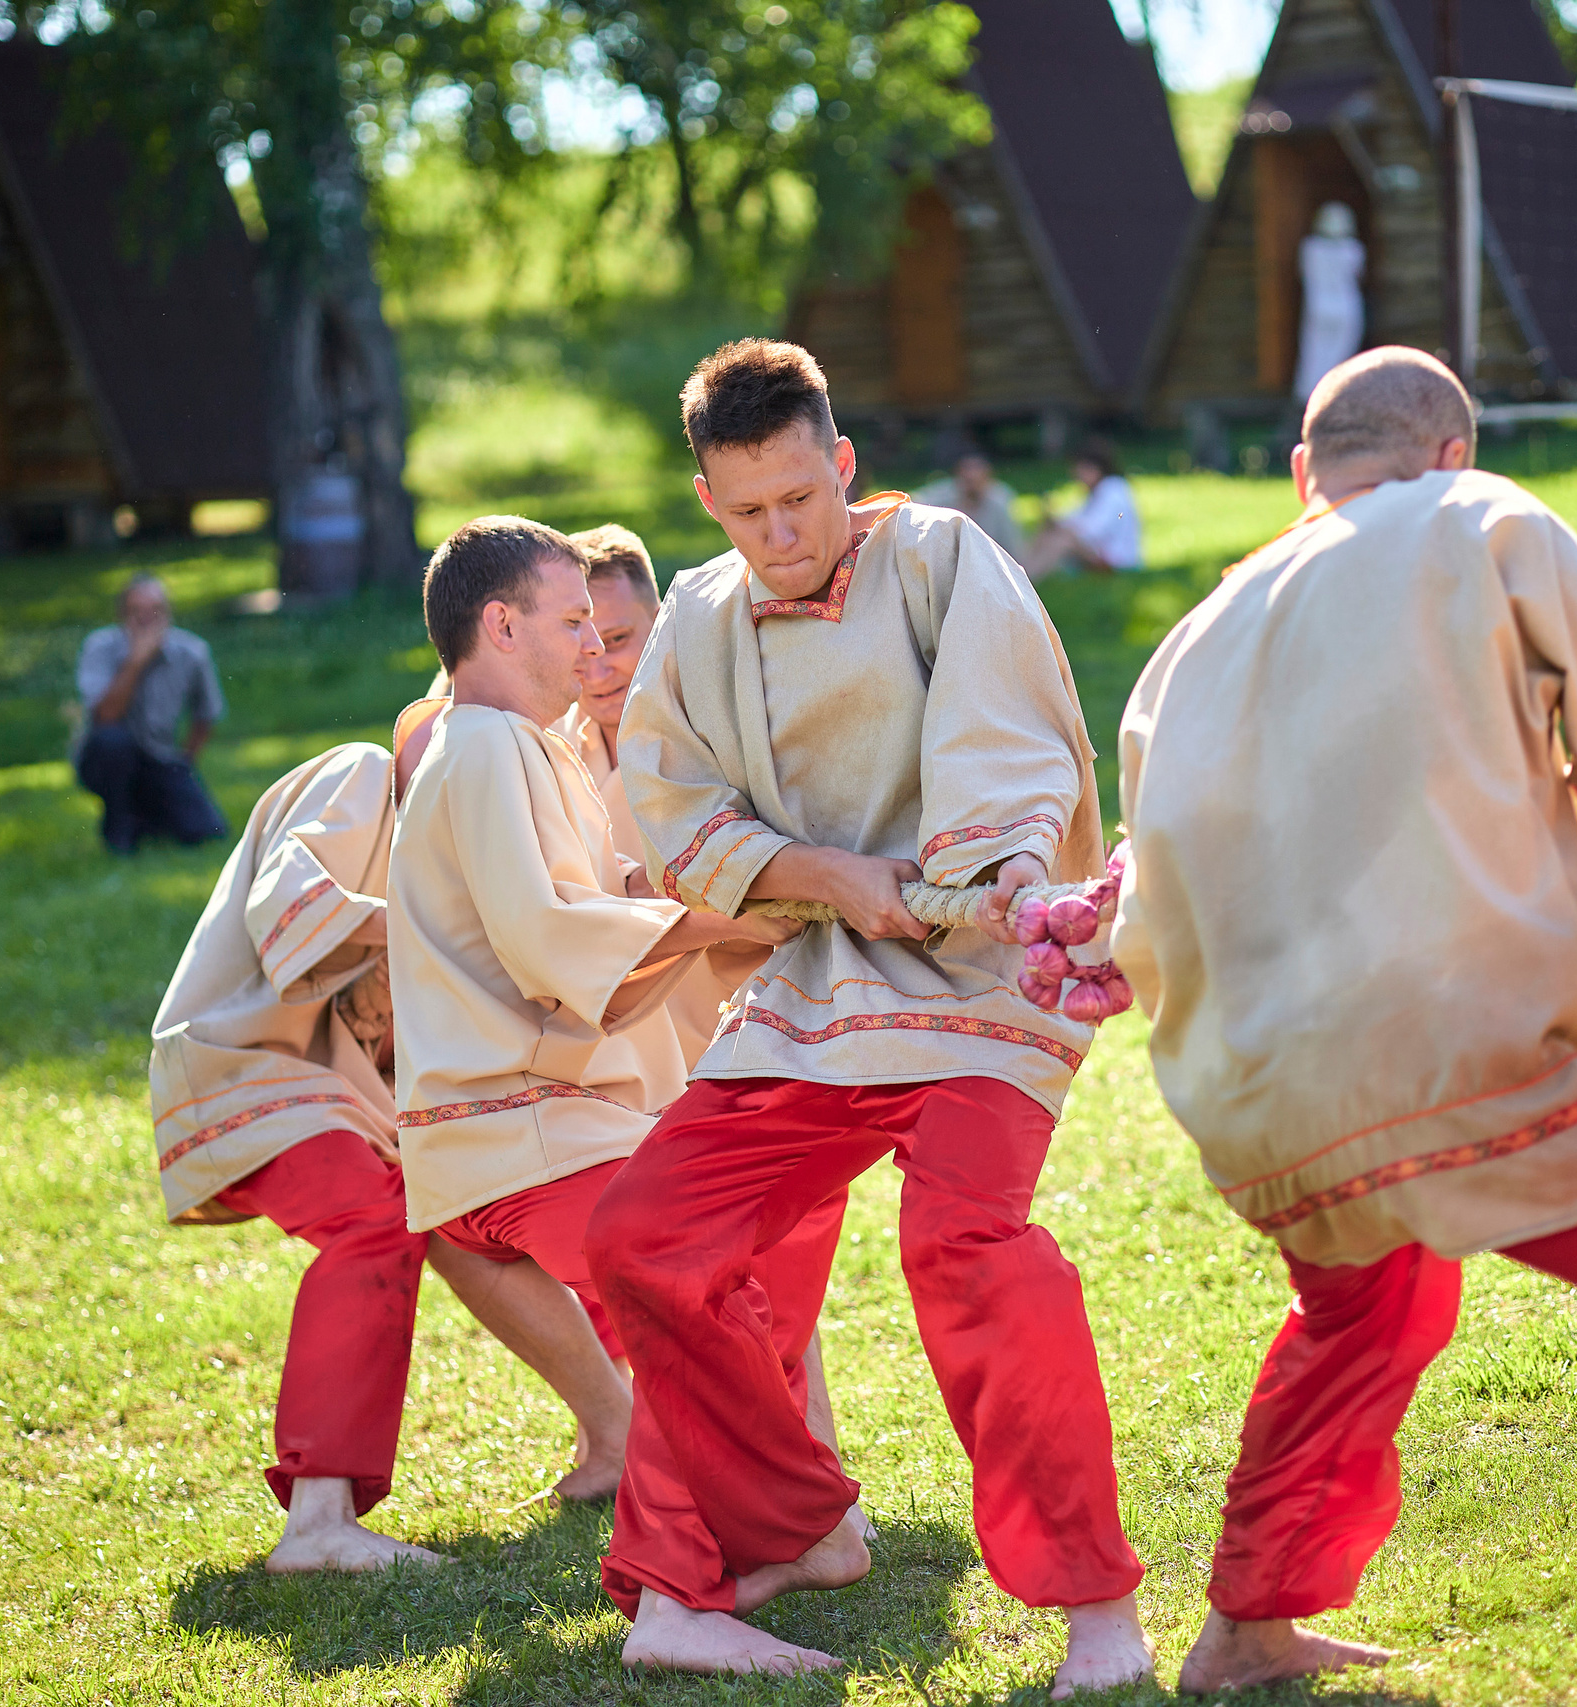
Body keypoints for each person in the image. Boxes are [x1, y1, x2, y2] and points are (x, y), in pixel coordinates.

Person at [1107, 345, 1577, 1693]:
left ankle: (1246, 1624)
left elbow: (1143, 902)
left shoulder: (1191, 632)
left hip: (1254, 1087)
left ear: (1302, 472)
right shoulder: (1479, 516)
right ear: (1449, 450)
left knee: (1366, 1308)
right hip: (1445, 1044)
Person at [589, 338, 1150, 1691]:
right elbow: (673, 802)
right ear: (709, 503)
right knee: (641, 1238)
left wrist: (1000, 881)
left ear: (841, 464)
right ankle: (797, 1519)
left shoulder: (945, 555)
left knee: (969, 1250)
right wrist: (822, 874)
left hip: (975, 977)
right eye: (746, 510)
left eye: (800, 497)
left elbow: (1005, 740)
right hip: (816, 987)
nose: (780, 533)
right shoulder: (699, 624)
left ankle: (1101, 1618)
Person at [150, 736, 665, 1569]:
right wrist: (437, 927)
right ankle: (318, 1521)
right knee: (380, 1214)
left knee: (466, 1194)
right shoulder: (361, 771)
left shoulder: (464, 836)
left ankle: (616, 1432)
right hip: (246, 1062)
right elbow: (290, 908)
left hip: (337, 1085)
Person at [388, 517, 801, 1482]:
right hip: (530, 1122)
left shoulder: (514, 745)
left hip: (466, 1148)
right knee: (702, 1287)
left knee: (512, 1255)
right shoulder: (487, 742)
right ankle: (793, 1517)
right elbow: (547, 935)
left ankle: (652, 1459)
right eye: (574, 621)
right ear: (501, 625)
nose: (593, 647)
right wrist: (722, 919)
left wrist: (773, 901)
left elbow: (607, 900)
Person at [75, 575, 230, 854]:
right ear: (122, 615)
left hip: (161, 756)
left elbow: (207, 715)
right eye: (138, 611)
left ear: (168, 613)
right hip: (105, 759)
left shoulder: (192, 652)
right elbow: (106, 716)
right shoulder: (100, 647)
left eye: (155, 610)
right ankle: (119, 833)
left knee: (209, 831)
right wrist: (136, 661)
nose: (147, 619)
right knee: (112, 742)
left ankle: (148, 818)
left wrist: (184, 763)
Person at [1020, 440, 1141, 578]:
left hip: (1116, 560)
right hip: (1102, 553)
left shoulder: (1113, 490)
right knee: (1049, 532)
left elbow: (1093, 531)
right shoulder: (1099, 491)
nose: (1076, 474)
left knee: (1064, 540)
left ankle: (1028, 576)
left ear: (1095, 469)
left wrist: (1061, 525)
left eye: (1081, 469)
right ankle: (1023, 571)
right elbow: (1079, 517)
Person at [1292, 202, 1366, 402]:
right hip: (1345, 307)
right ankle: (1332, 393)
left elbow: (1303, 274)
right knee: (1340, 353)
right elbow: (1358, 275)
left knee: (1314, 352)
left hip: (1319, 306)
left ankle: (1311, 394)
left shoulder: (1310, 248)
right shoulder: (1353, 249)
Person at [913, 450, 1025, 558]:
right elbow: (913, 503)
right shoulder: (944, 493)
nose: (971, 476)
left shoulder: (1000, 499)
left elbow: (1011, 545)